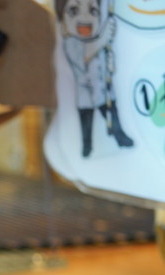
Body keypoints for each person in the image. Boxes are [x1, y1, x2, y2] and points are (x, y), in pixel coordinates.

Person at [55, 0, 134, 157]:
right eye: (73, 11)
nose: (85, 18)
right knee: (86, 122)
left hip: (103, 91)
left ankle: (118, 135)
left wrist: (110, 64)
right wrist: (104, 37)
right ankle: (87, 146)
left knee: (111, 112)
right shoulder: (71, 43)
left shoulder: (99, 42)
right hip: (85, 94)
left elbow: (105, 63)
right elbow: (85, 54)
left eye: (93, 11)